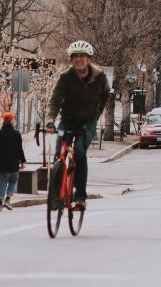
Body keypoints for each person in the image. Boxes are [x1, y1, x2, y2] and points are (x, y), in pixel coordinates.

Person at [44, 40, 111, 210]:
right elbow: (55, 100)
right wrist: (51, 119)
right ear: (71, 59)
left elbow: (105, 95)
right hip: (67, 120)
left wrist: (96, 114)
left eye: (82, 56)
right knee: (59, 154)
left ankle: (80, 196)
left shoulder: (99, 76)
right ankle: (55, 195)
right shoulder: (66, 77)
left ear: (89, 59)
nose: (78, 59)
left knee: (80, 152)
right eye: (75, 56)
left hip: (87, 122)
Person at [0, 111, 27, 211]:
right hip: (13, 164)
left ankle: (0, 203)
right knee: (13, 180)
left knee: (0, 182)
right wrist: (23, 161)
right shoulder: (17, 134)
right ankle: (8, 199)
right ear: (12, 121)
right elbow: (19, 149)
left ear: (3, 121)